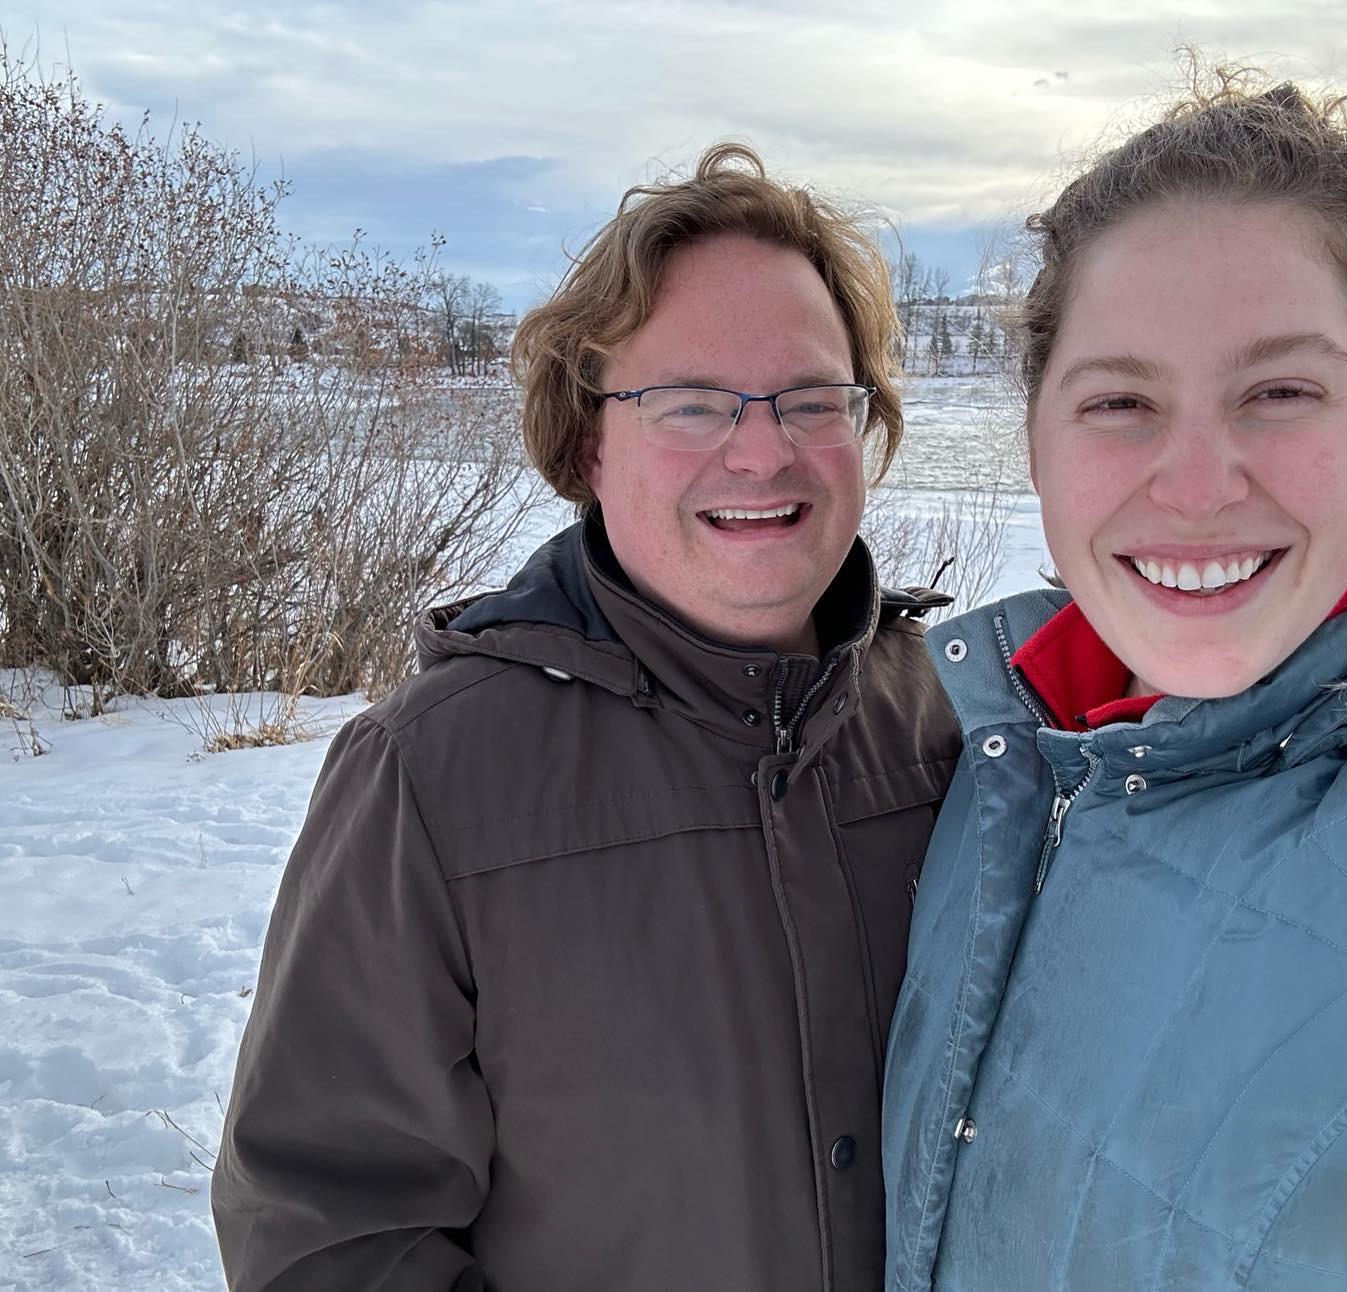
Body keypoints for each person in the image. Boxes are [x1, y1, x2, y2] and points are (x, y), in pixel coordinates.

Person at [211, 143, 961, 1292]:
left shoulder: (957, 719)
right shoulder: (433, 776)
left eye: (811, 396)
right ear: (587, 442)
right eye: (692, 402)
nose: (760, 449)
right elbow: (330, 1235)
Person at [883, 71, 1347, 1291]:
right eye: (1123, 400)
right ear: (1039, 435)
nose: (1197, 484)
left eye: (1281, 391)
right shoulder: (998, 737)